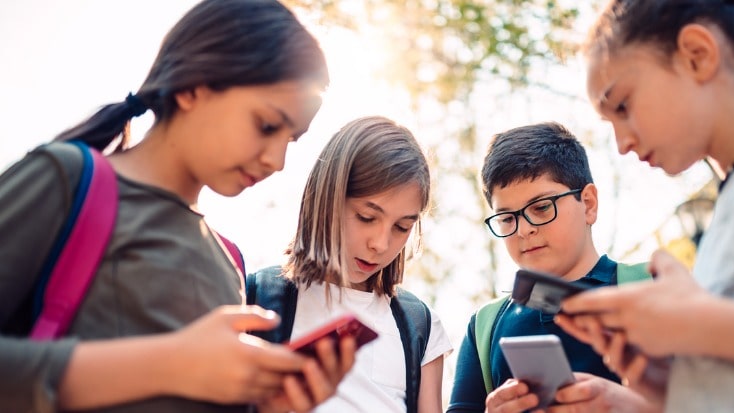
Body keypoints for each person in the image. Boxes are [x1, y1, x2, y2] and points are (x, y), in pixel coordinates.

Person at [0, 1, 356, 412]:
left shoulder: (230, 265)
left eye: (291, 140)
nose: (277, 161)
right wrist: (168, 364)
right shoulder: (66, 179)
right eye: (266, 126)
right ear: (193, 87)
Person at [555, 0, 734, 412]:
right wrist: (665, 392)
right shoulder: (727, 213)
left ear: (697, 55)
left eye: (623, 105)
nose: (621, 143)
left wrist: (696, 324)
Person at [247, 116, 453, 413]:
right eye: (367, 218)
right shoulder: (256, 298)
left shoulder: (420, 324)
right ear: (328, 197)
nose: (381, 244)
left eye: (402, 227)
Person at [447, 122, 656, 413]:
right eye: (507, 218)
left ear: (589, 203)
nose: (523, 230)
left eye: (542, 207)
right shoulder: (484, 326)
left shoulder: (653, 287)